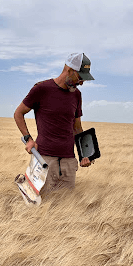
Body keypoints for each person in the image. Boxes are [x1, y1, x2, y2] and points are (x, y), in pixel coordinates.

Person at [14, 53, 95, 195]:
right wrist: (28, 139)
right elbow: (18, 113)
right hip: (45, 160)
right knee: (39, 205)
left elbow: (77, 127)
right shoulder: (41, 89)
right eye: (80, 77)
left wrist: (84, 154)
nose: (82, 82)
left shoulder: (77, 95)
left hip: (68, 163)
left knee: (67, 207)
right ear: (69, 70)